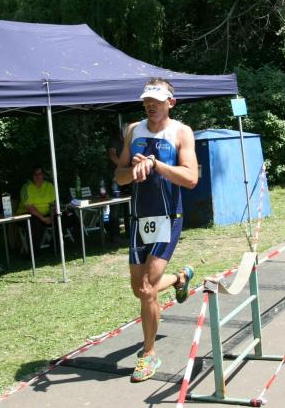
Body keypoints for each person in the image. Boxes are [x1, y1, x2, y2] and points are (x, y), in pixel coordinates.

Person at [115, 78, 198, 383]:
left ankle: (148, 353)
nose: (150, 106)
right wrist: (133, 171)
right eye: (147, 101)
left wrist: (156, 165)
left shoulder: (181, 132)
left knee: (148, 287)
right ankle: (180, 278)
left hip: (167, 217)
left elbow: (191, 178)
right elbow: (119, 176)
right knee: (139, 289)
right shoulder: (133, 130)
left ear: (170, 103)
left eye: (157, 101)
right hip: (139, 218)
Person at [16, 164, 56, 249]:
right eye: (35, 174)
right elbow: (30, 207)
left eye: (40, 174)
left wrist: (52, 216)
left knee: (63, 217)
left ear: (43, 175)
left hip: (47, 215)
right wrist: (43, 219)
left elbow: (53, 204)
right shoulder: (26, 187)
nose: (38, 176)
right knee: (35, 222)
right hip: (26, 215)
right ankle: (34, 251)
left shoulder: (49, 186)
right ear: (32, 176)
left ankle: (55, 245)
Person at [105, 124, 128, 245]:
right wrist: (124, 166)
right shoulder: (114, 140)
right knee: (115, 207)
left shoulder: (127, 141)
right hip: (114, 178)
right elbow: (112, 155)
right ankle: (114, 236)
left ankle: (129, 232)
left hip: (126, 177)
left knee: (128, 205)